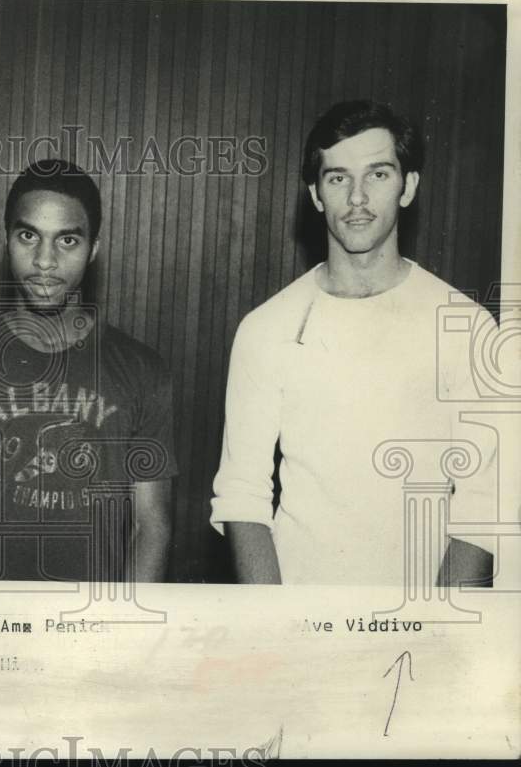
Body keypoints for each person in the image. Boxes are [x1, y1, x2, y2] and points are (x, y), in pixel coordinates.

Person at [210, 100, 497, 585]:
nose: (358, 197)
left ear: (409, 187)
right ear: (316, 194)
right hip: (299, 616)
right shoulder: (267, 327)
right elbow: (242, 495)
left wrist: (436, 636)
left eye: (378, 175)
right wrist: (273, 626)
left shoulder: (466, 327)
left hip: (419, 619)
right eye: (338, 178)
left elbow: (484, 505)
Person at [0, 159, 178, 582]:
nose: (44, 260)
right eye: (28, 236)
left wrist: (125, 638)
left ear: (94, 249)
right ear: (7, 240)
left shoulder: (142, 373)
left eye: (67, 240)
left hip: (92, 633)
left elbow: (152, 524)